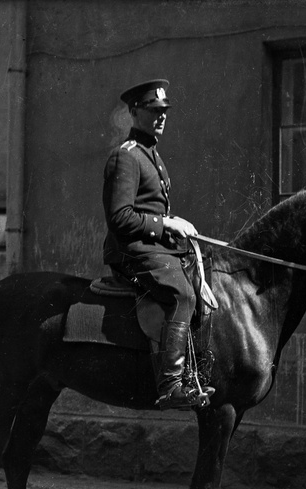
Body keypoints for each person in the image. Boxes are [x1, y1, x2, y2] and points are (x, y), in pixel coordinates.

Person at [102, 79, 213, 410]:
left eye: (164, 111)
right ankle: (171, 385)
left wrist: (178, 226)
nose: (161, 116)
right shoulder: (127, 157)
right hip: (131, 251)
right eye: (154, 111)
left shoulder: (151, 155)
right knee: (183, 293)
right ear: (135, 113)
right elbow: (119, 218)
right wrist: (165, 223)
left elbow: (150, 210)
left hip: (153, 247)